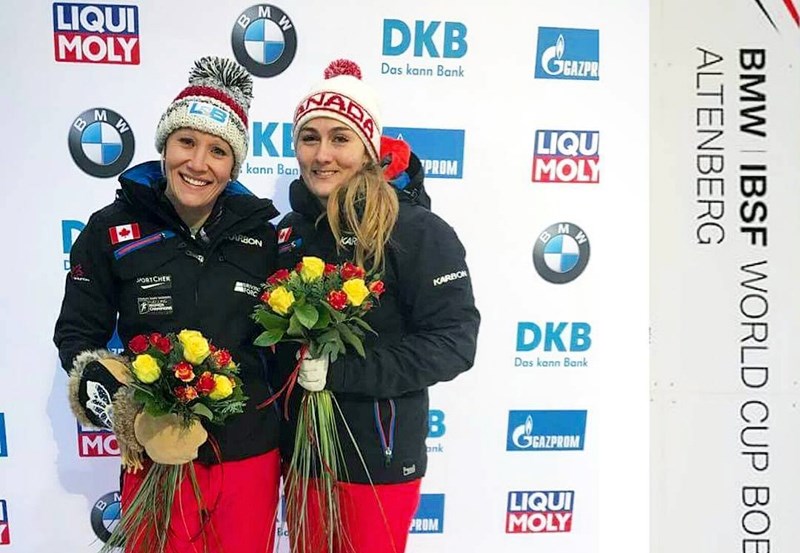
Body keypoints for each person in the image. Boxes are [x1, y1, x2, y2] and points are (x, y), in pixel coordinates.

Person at [54, 56, 281, 553]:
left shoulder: (263, 237)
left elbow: (282, 348)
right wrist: (125, 409)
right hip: (154, 457)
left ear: (234, 165)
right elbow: (76, 339)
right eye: (186, 142)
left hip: (249, 456)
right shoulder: (110, 229)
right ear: (164, 145)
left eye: (218, 151)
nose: (198, 163)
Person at [274, 59, 481, 553]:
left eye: (340, 138)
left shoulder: (415, 230)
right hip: (303, 458)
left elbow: (455, 343)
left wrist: (343, 371)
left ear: (368, 149)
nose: (322, 155)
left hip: (379, 461)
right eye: (309, 138)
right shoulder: (288, 231)